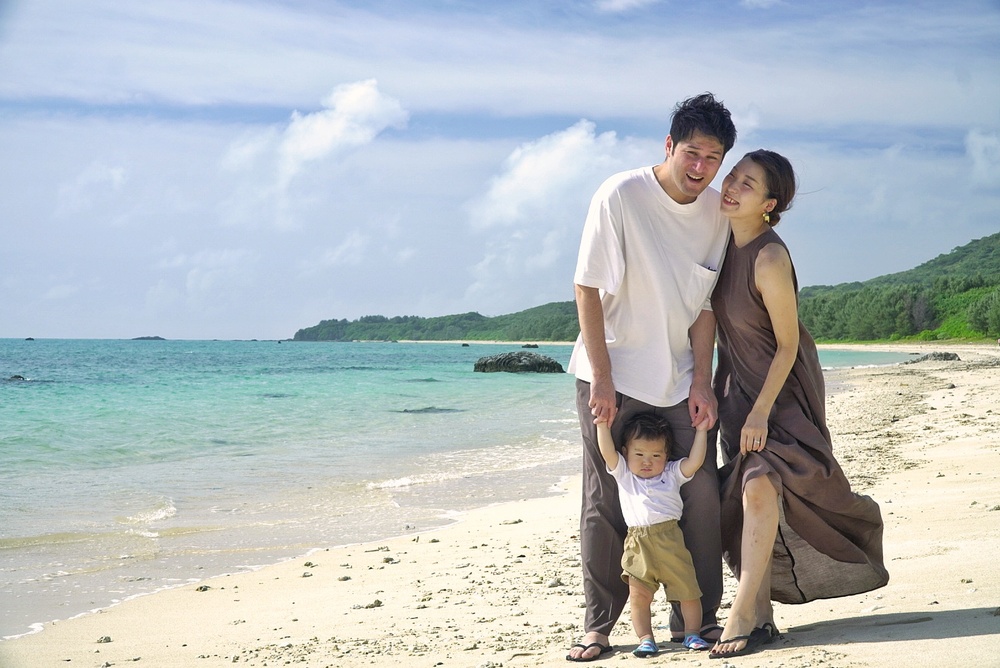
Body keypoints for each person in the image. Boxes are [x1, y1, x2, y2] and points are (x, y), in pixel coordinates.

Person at [566, 92, 737, 662]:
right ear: (669, 145)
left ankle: (698, 619)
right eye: (692, 153)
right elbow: (587, 287)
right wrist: (603, 377)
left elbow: (705, 307)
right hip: (611, 377)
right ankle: (599, 626)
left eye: (713, 159)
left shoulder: (716, 214)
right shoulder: (620, 195)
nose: (700, 167)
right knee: (606, 502)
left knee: (701, 495)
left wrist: (703, 381)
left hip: (680, 382)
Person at [707, 150, 889, 659]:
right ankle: (762, 615)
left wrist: (761, 411)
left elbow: (788, 346)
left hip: (779, 394)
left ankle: (742, 614)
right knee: (750, 495)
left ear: (769, 204)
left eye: (747, 184)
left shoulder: (769, 257)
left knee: (760, 486)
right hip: (736, 392)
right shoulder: (719, 241)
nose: (732, 186)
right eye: (733, 176)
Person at [595, 412, 713, 657]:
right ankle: (646, 639)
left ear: (666, 456)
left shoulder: (671, 473)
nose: (647, 462)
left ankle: (692, 633)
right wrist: (602, 425)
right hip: (638, 544)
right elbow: (607, 452)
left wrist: (701, 431)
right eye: (639, 454)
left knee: (688, 592)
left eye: (656, 455)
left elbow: (694, 462)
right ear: (626, 453)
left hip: (671, 540)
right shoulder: (624, 474)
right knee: (638, 596)